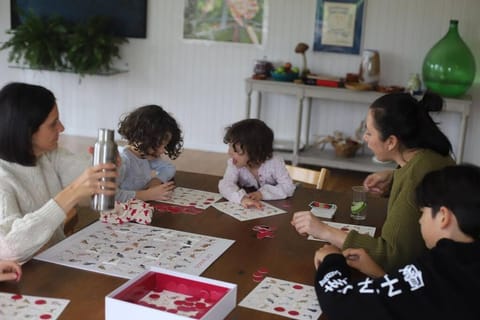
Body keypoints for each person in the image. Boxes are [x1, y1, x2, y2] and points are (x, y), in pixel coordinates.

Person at [291, 92, 455, 271]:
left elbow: (391, 255)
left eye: (369, 132)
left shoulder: (417, 175)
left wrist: (324, 230)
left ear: (391, 141)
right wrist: (393, 178)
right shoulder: (429, 156)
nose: (364, 138)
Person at [313, 164, 480, 320]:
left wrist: (332, 261)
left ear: (443, 216)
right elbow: (415, 301)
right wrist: (380, 275)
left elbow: (340, 302)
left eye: (422, 213)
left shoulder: (438, 267)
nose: (420, 221)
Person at [0, 82, 117, 263]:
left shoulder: (46, 155)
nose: (61, 128)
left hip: (56, 261)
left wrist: (110, 162)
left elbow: (88, 174)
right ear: (27, 131)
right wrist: (71, 194)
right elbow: (8, 248)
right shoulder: (3, 177)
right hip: (29, 279)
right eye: (53, 124)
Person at [218, 118, 295, 208]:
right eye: (230, 147)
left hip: (277, 205)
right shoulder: (235, 164)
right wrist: (241, 198)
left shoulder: (275, 162)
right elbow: (225, 184)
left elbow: (288, 187)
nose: (229, 153)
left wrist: (262, 194)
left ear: (255, 152)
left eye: (237, 150)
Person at [116, 105, 182, 202]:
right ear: (142, 139)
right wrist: (147, 195)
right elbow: (110, 195)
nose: (163, 151)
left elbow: (169, 168)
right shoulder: (123, 161)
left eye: (165, 146)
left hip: (142, 208)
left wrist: (156, 180)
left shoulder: (146, 157)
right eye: (160, 145)